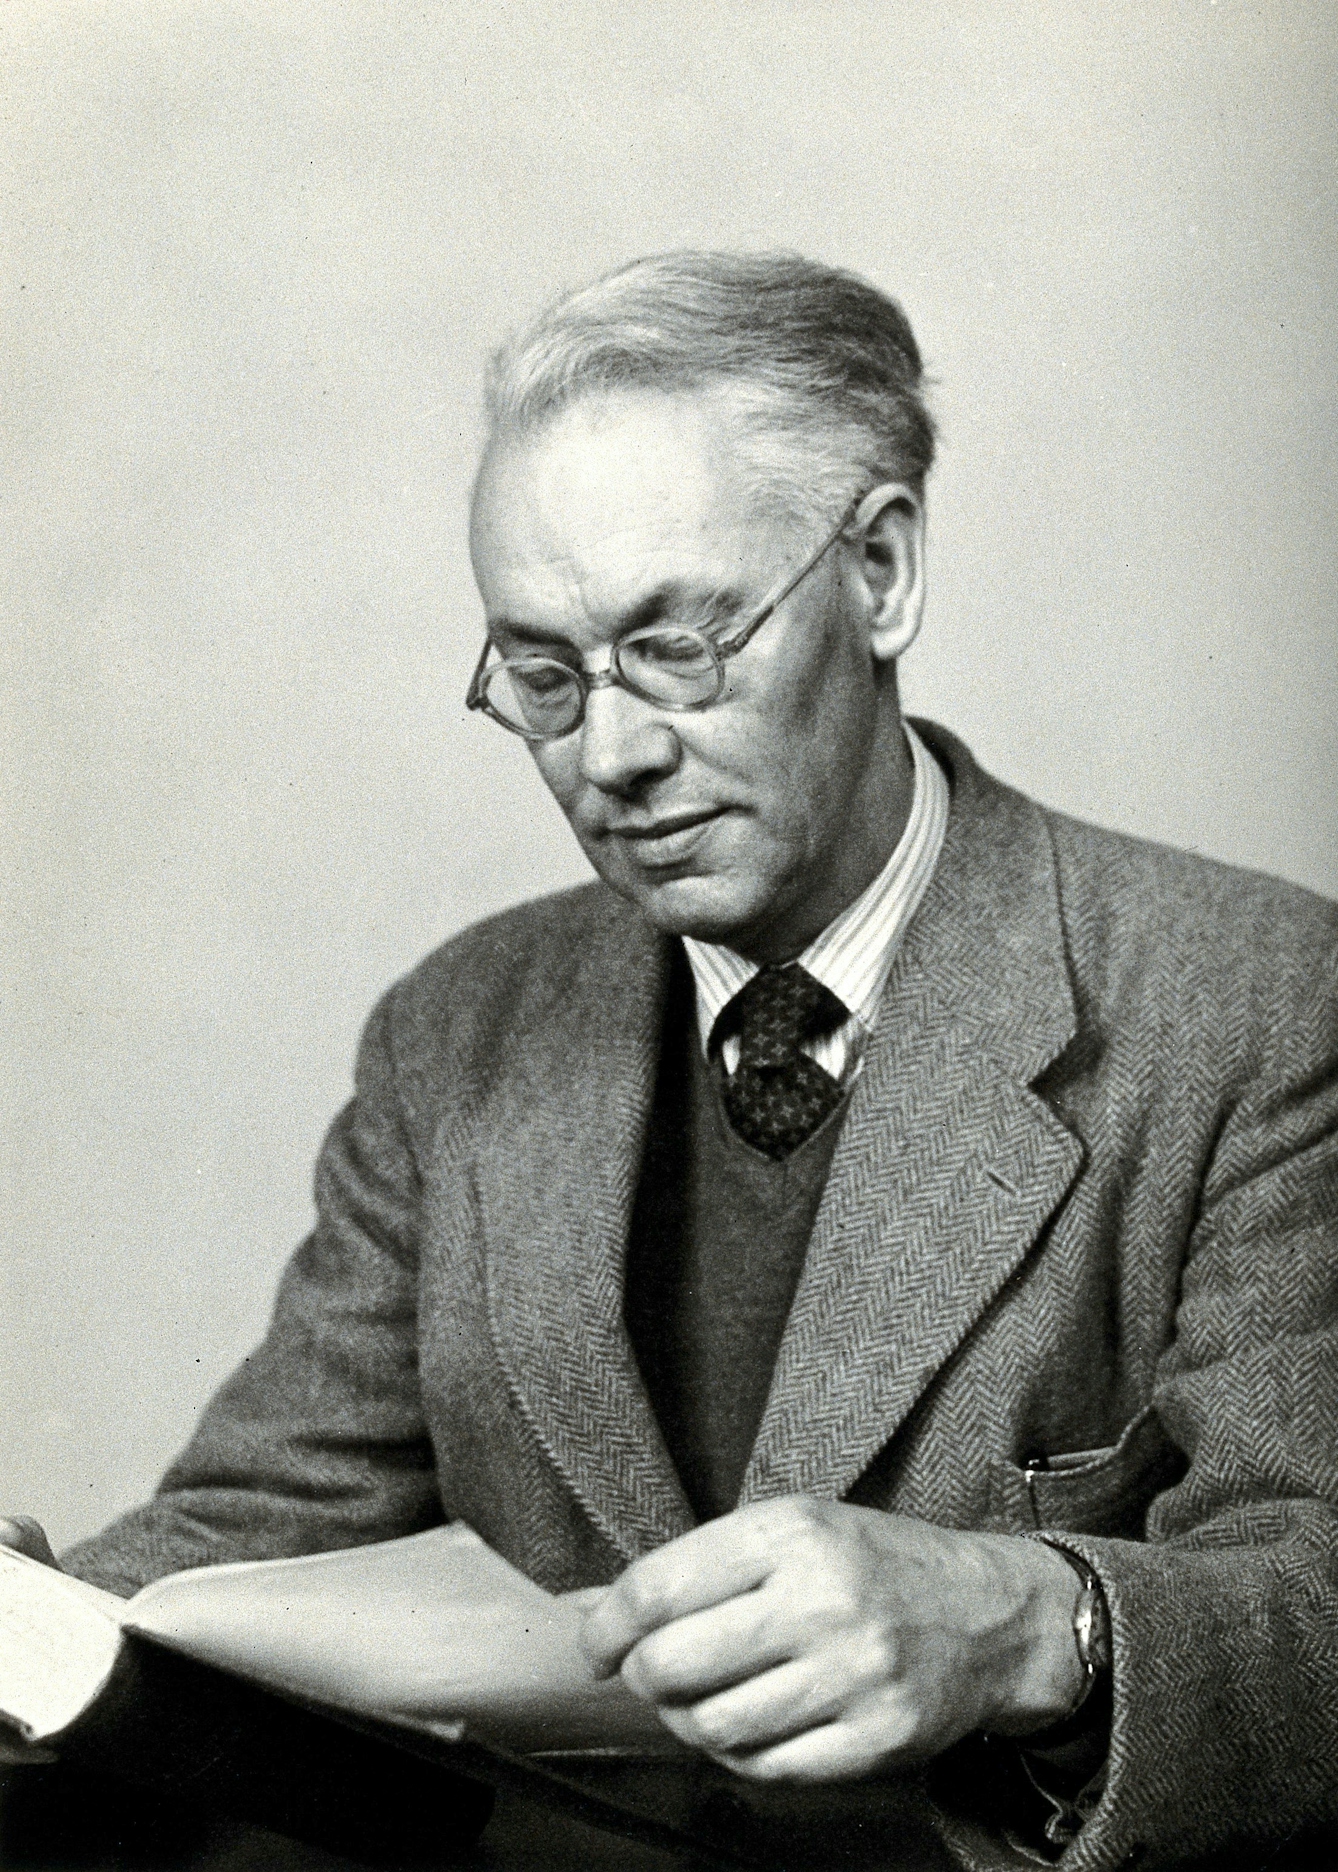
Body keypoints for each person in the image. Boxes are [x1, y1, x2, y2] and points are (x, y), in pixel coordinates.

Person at [5, 252, 1336, 1870]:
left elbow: (1316, 1596)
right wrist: (40, 1613)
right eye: (546, 678)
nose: (614, 757)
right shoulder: (459, 1028)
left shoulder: (1255, 999)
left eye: (680, 648)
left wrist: (1030, 1623)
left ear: (883, 574)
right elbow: (251, 1531)